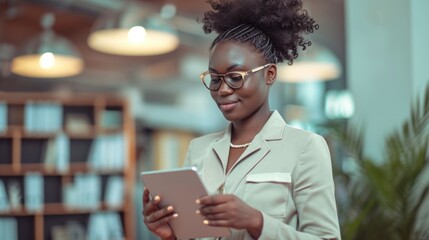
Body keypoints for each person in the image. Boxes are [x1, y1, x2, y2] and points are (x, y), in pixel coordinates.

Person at [142, 0, 341, 239]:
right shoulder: (200, 149)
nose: (223, 90)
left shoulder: (305, 147)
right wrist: (171, 235)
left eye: (235, 77)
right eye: (215, 79)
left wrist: (256, 222)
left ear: (269, 75)